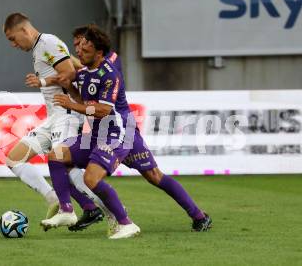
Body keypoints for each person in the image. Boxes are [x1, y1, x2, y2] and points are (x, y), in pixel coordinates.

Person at [42, 25, 212, 238]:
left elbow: (103, 109)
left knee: (153, 176)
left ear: (98, 51)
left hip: (122, 134)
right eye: (77, 46)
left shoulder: (110, 72)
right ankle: (73, 209)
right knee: (59, 159)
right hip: (98, 135)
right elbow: (81, 96)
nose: (79, 51)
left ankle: (197, 216)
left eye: (84, 47)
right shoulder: (84, 73)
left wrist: (72, 102)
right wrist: (62, 86)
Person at [2, 13, 106, 224]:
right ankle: (56, 199)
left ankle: (111, 208)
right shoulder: (41, 48)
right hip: (54, 117)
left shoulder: (48, 42)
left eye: (13, 38)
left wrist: (42, 81)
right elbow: (74, 65)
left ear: (24, 30)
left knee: (62, 164)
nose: (13, 45)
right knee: (14, 158)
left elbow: (68, 73)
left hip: (67, 114)